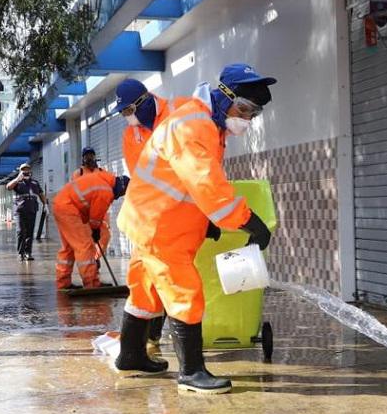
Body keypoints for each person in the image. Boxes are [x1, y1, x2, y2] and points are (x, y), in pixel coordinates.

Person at [114, 63, 275, 394]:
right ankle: (191, 372)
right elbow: (208, 186)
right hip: (159, 225)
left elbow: (185, 185)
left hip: (151, 220)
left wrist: (205, 223)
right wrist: (249, 223)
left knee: (144, 290)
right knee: (184, 291)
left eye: (252, 114)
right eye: (244, 109)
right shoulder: (194, 125)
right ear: (223, 96)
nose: (246, 119)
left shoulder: (208, 124)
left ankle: (130, 355)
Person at [113, 78, 179, 355]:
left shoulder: (176, 115)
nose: (128, 117)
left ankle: (150, 340)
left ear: (144, 100)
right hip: (150, 214)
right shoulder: (131, 135)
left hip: (181, 209)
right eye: (123, 113)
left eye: (129, 110)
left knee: (173, 276)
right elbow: (140, 176)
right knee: (147, 275)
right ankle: (148, 339)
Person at [53, 169, 128, 290]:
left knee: (69, 247)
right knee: (85, 246)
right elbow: (95, 218)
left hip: (61, 204)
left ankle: (63, 282)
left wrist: (94, 228)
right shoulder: (106, 191)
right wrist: (95, 230)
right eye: (123, 193)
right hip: (69, 209)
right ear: (122, 188)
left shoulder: (101, 179)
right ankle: (91, 283)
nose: (120, 196)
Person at [6, 162, 44, 261]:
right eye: (23, 170)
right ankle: (20, 253)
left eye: (27, 169)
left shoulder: (35, 182)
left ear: (30, 171)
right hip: (20, 210)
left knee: (30, 233)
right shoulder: (17, 182)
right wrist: (17, 179)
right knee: (21, 231)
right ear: (20, 171)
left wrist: (46, 204)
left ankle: (28, 253)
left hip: (32, 209)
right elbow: (8, 187)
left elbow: (40, 193)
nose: (26, 171)